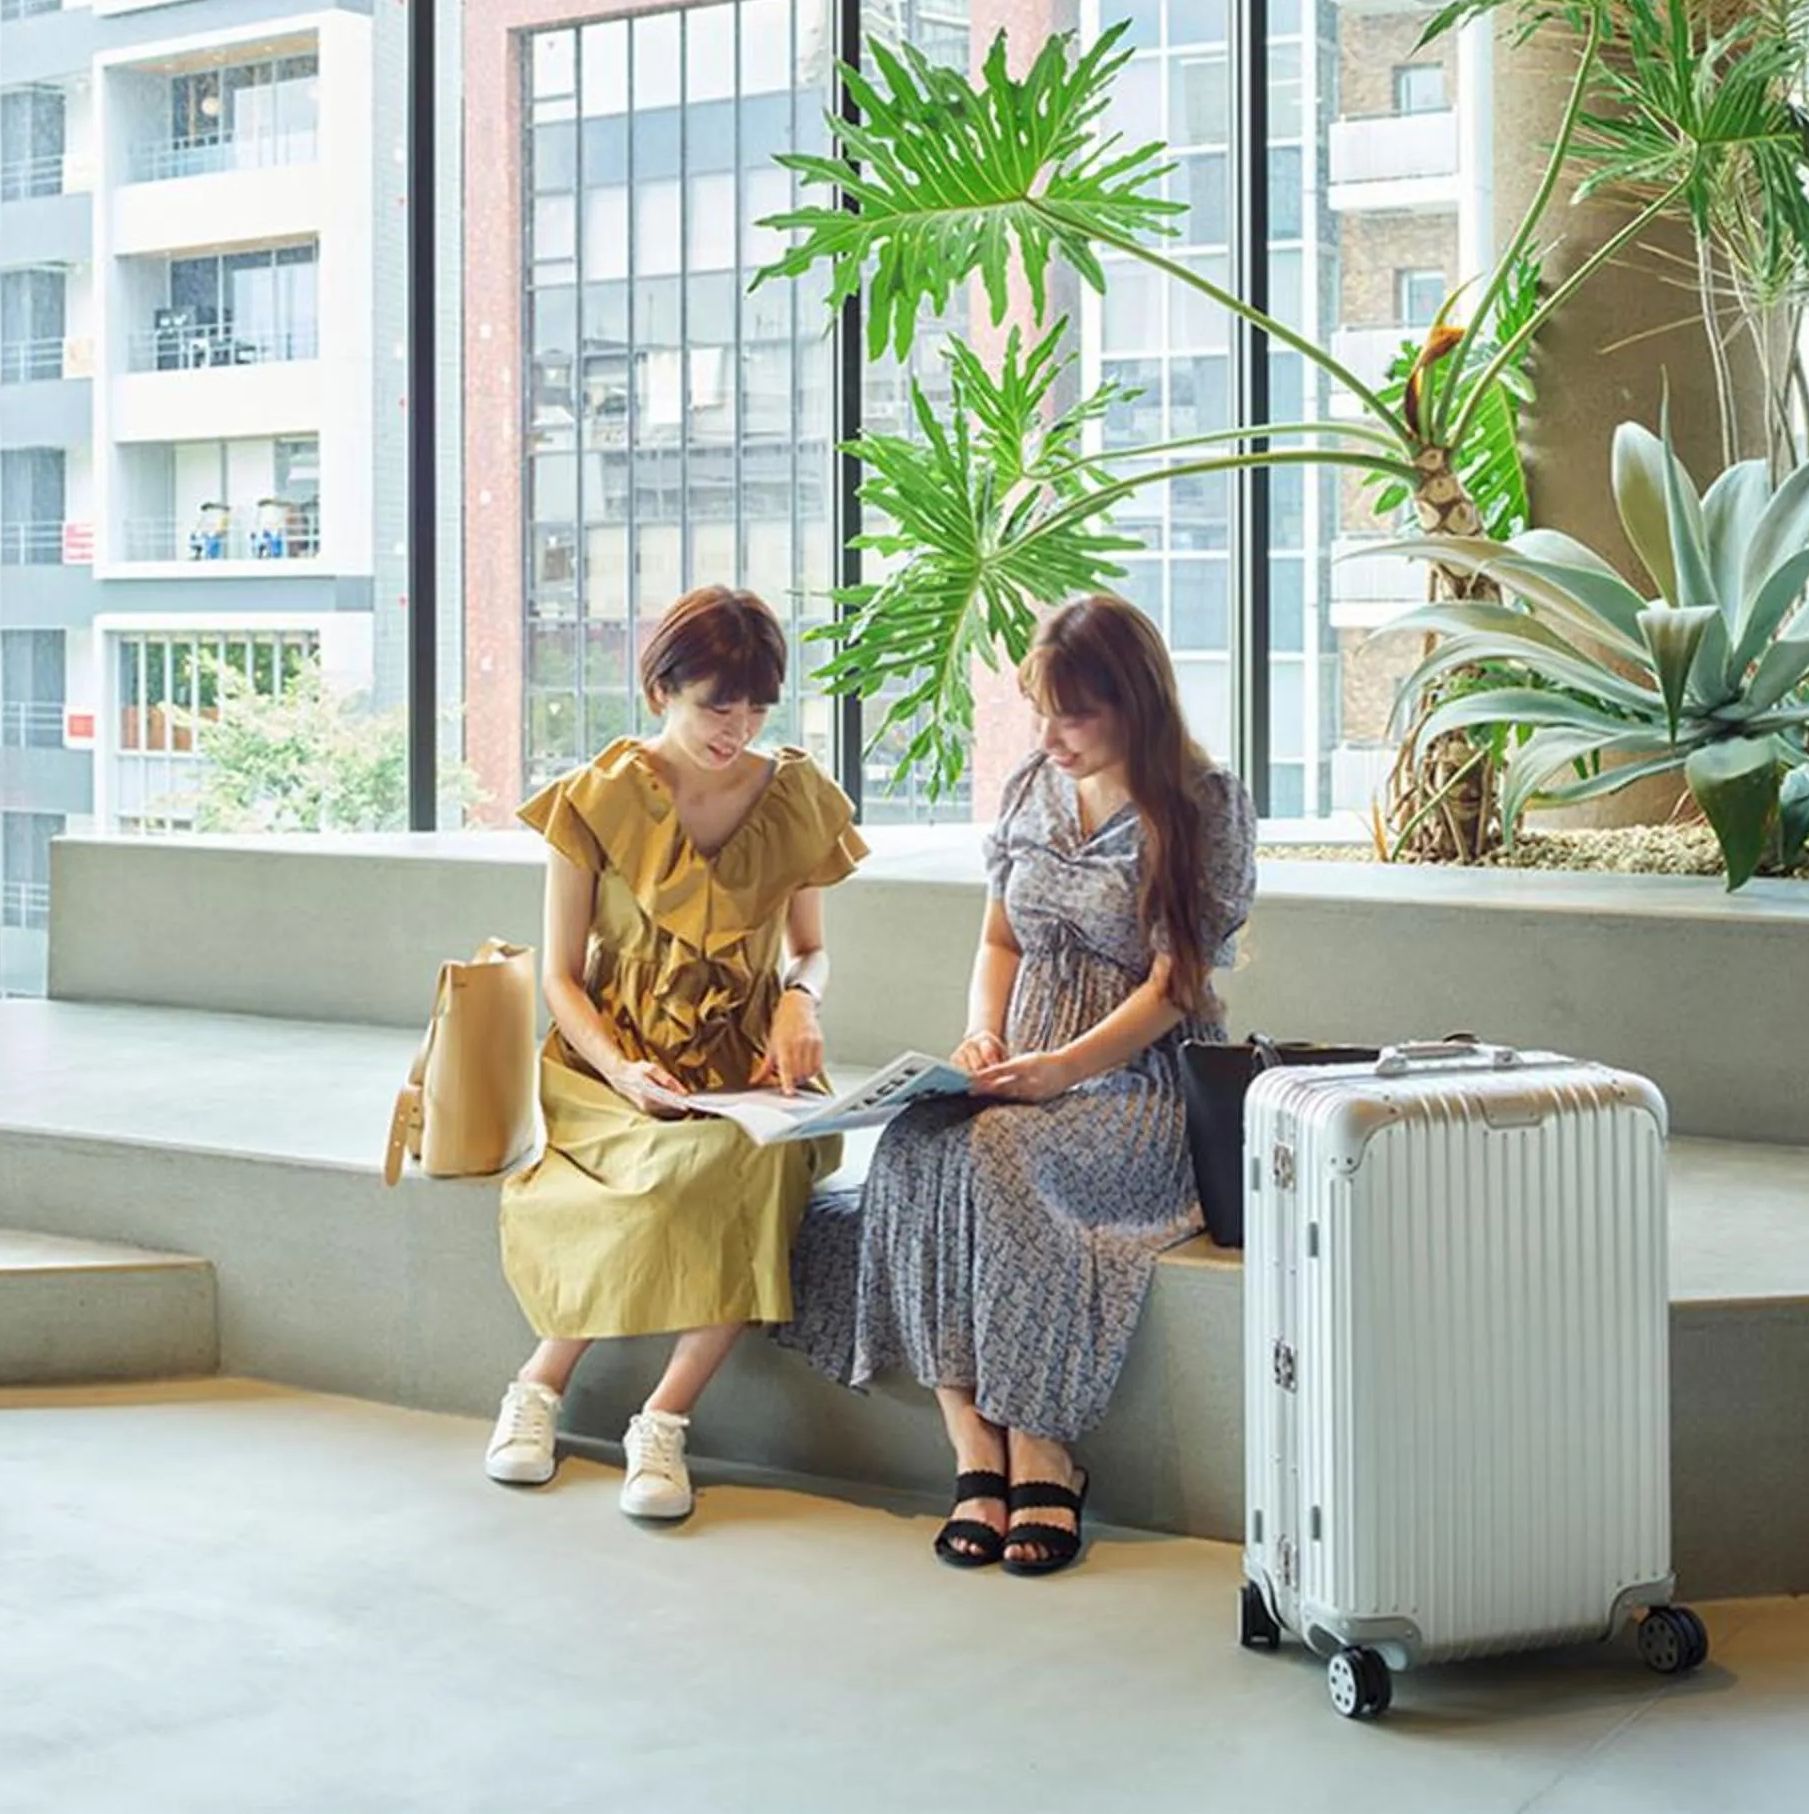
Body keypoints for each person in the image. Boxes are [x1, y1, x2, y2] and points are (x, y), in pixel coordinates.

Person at [781, 593, 1256, 1575]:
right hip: (1026, 1063)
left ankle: (1042, 1443)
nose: (1051, 735)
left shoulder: (1203, 804)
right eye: (1041, 709)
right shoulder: (1032, 785)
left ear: (1135, 703)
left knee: (997, 1154)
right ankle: (974, 1449)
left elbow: (1179, 986)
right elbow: (999, 938)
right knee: (912, 1147)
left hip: (1138, 1087)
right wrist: (984, 1036)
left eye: (1073, 715)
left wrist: (1062, 1072)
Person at [486, 585, 867, 1521]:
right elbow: (562, 980)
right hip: (609, 1062)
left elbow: (810, 947)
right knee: (663, 1171)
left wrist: (796, 1001)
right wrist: (621, 1071)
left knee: (753, 1162)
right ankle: (538, 1387)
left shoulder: (798, 797)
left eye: (755, 710)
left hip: (749, 1062)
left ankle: (662, 1419)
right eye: (714, 706)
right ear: (661, 690)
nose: (736, 730)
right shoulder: (595, 800)